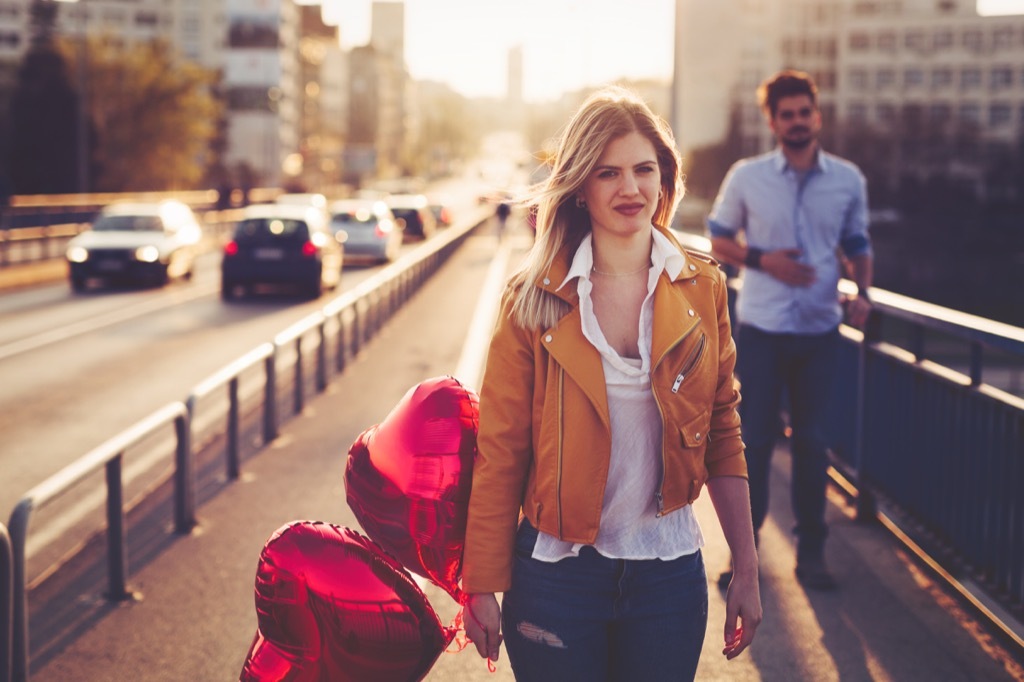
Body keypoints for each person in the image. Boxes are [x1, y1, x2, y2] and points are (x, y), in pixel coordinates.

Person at [462, 86, 762, 681]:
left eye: (644, 169)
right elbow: (501, 450)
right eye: (608, 173)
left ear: (664, 178)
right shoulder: (532, 300)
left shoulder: (702, 288)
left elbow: (723, 429)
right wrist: (482, 583)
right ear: (580, 187)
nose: (630, 189)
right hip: (556, 578)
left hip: (668, 577)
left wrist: (747, 570)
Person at [706, 69, 873, 591]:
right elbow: (717, 240)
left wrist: (864, 291)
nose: (798, 122)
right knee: (751, 441)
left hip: (821, 329)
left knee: (813, 443)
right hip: (762, 327)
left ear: (816, 115)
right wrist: (765, 261)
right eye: (788, 115)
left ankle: (812, 556)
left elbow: (858, 242)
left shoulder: (848, 179)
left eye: (806, 112)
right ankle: (744, 560)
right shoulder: (747, 176)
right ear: (773, 121)